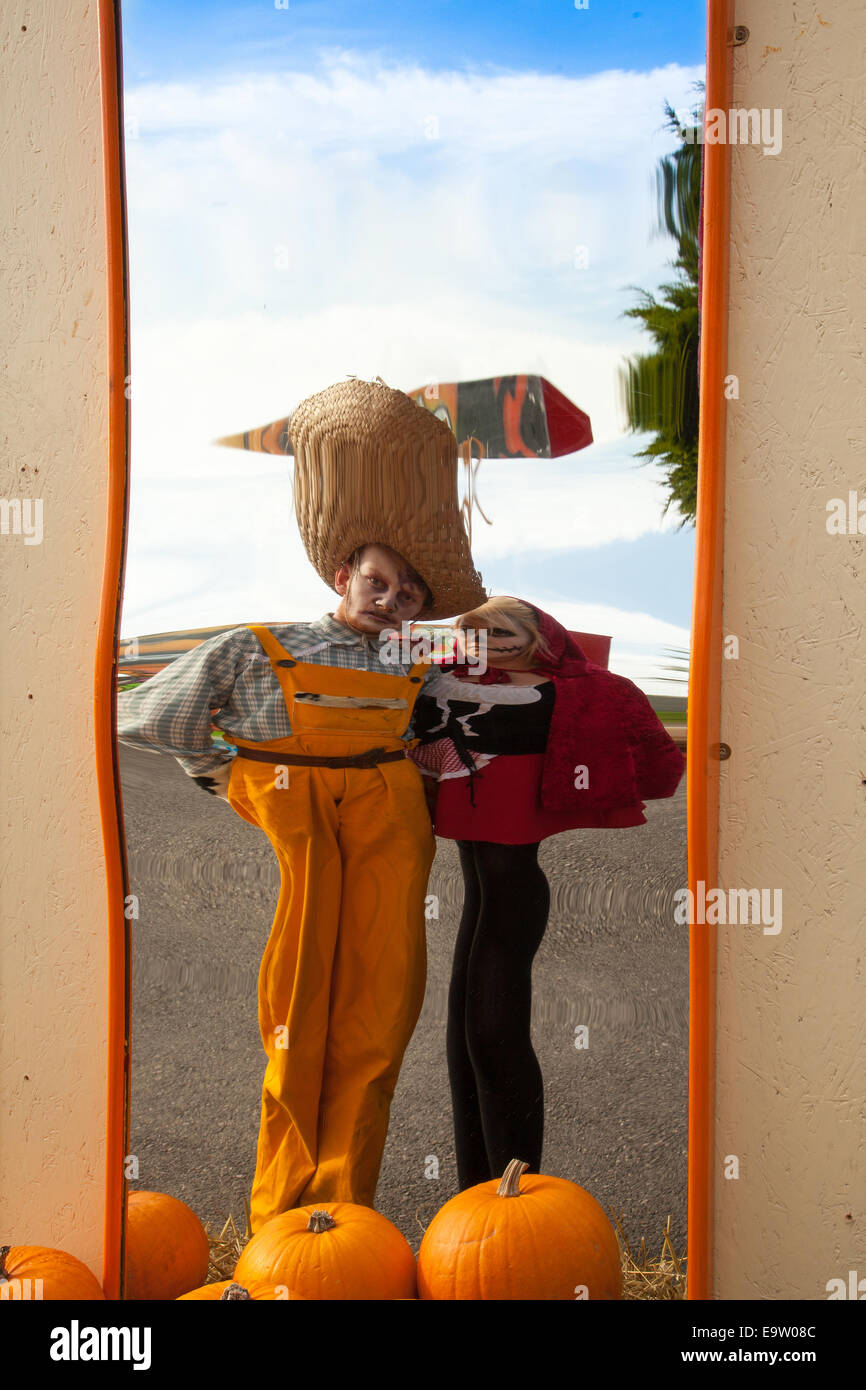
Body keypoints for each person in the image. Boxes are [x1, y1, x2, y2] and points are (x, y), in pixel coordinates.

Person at [116, 376, 487, 1231]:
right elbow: (152, 716)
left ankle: (342, 1217)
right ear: (341, 572)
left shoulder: (411, 668)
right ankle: (281, 1221)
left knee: (377, 1024)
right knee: (297, 1026)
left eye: (408, 597)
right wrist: (228, 778)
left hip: (393, 857)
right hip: (310, 853)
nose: (392, 601)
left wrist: (440, 762)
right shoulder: (261, 648)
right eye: (381, 582)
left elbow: (439, 733)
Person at [407, 595, 686, 1189]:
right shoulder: (447, 676)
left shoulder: (587, 688)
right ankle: (476, 1193)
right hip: (479, 874)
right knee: (462, 1035)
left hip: (515, 887)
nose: (488, 641)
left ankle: (517, 1196)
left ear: (539, 634)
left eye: (503, 630)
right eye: (477, 631)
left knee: (490, 1032)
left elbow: (654, 753)